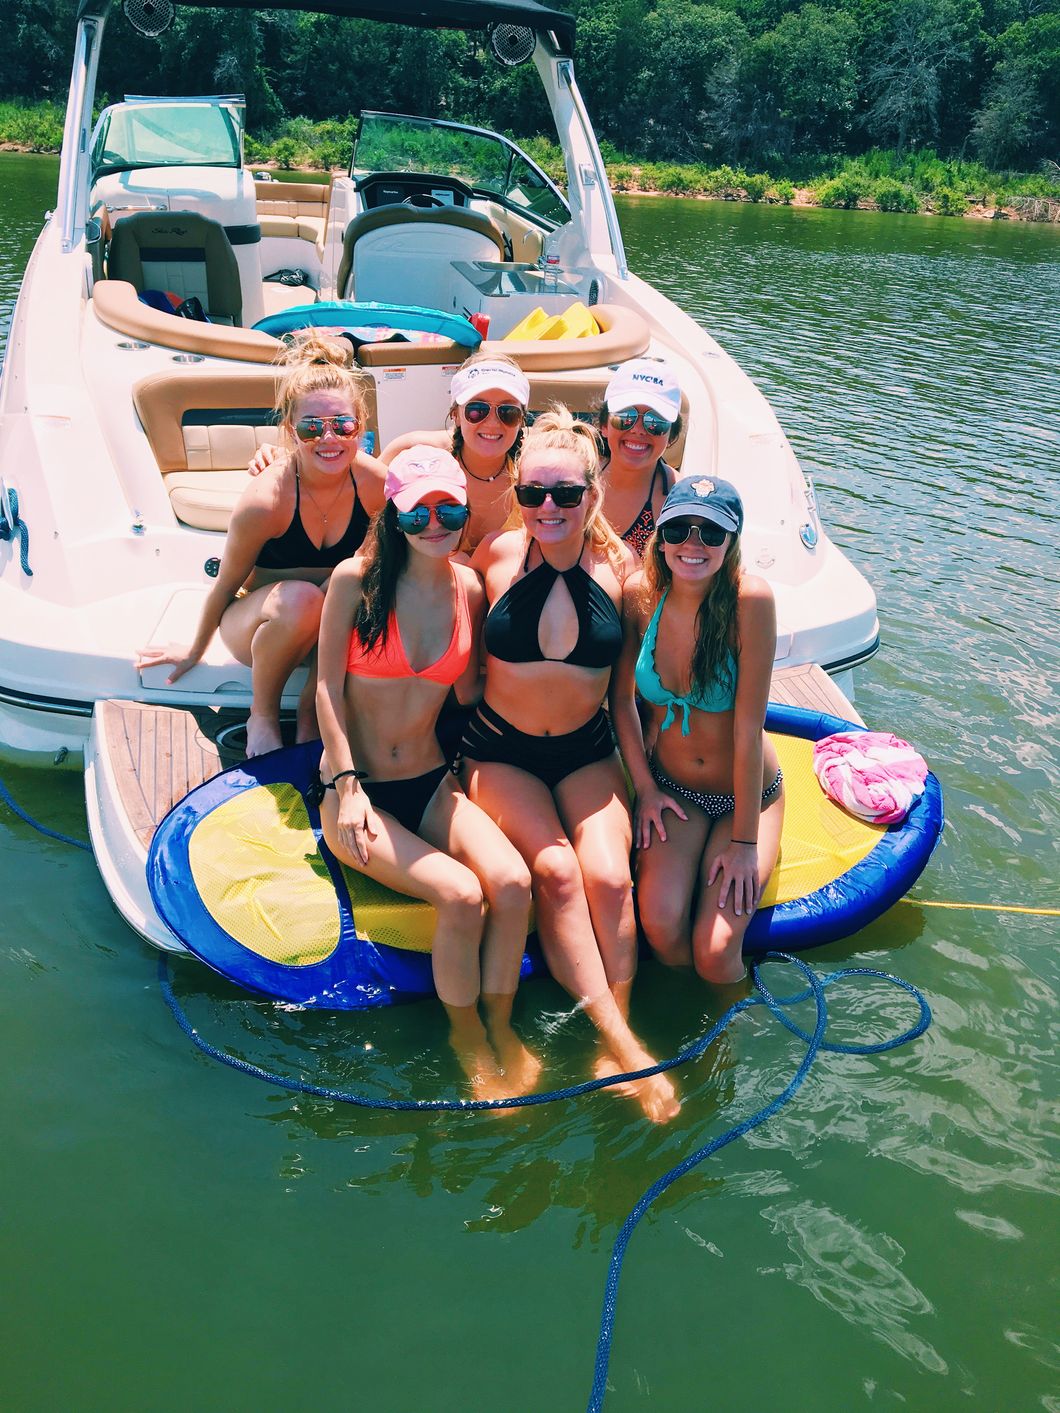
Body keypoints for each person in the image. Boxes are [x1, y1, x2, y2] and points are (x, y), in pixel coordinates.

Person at [462, 407, 680, 1124]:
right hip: (501, 750)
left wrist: (644, 785)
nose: (547, 508)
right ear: (516, 495)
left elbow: (624, 697)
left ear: (593, 493)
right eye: (532, 494)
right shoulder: (491, 558)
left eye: (564, 494)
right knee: (555, 871)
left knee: (612, 875)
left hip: (587, 751)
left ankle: (610, 1037)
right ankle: (628, 1045)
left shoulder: (622, 574)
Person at [315, 446, 539, 1101]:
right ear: (394, 515)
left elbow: (474, 691)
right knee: (463, 894)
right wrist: (348, 787)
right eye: (420, 513)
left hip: (431, 782)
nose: (436, 523)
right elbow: (327, 689)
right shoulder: (353, 581)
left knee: (514, 882)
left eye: (450, 509)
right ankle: (468, 1039)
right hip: (354, 792)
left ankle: (503, 1025)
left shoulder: (467, 587)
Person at [137, 333, 384, 756]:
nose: (329, 439)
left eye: (342, 424)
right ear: (291, 429)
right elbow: (226, 584)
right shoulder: (266, 501)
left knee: (358, 578)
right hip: (261, 625)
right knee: (303, 599)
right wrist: (194, 650)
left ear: (360, 425)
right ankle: (263, 714)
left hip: (330, 631)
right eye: (311, 427)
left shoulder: (375, 484)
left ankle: (311, 710)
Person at [612, 476, 784, 984]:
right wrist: (644, 788)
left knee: (716, 950)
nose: (694, 544)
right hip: (674, 791)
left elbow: (749, 729)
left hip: (746, 796)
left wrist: (744, 844)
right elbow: (621, 701)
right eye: (681, 529)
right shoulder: (640, 595)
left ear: (730, 542)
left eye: (711, 533)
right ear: (660, 536)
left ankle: (724, 1045)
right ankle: (686, 1028)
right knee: (660, 926)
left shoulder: (749, 601)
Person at [251, 350, 530, 554]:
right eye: (477, 409)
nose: (492, 423)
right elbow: (353, 481)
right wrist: (291, 455)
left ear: (522, 419)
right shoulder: (412, 451)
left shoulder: (535, 471)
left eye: (507, 412)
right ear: (455, 414)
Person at [597, 358, 683, 558]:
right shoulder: (576, 479)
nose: (638, 430)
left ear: (671, 436)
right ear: (604, 425)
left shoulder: (680, 499)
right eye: (626, 416)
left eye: (655, 422)